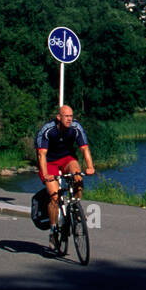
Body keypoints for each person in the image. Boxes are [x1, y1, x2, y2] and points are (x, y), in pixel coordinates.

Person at [34, 105, 95, 250]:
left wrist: (90, 166)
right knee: (54, 197)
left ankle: (76, 206)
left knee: (77, 176)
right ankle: (53, 230)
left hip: (67, 158)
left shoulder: (76, 128)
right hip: (49, 161)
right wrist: (46, 174)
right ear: (59, 117)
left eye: (71, 116)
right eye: (66, 116)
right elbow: (41, 154)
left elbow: (85, 149)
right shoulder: (48, 130)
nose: (69, 119)